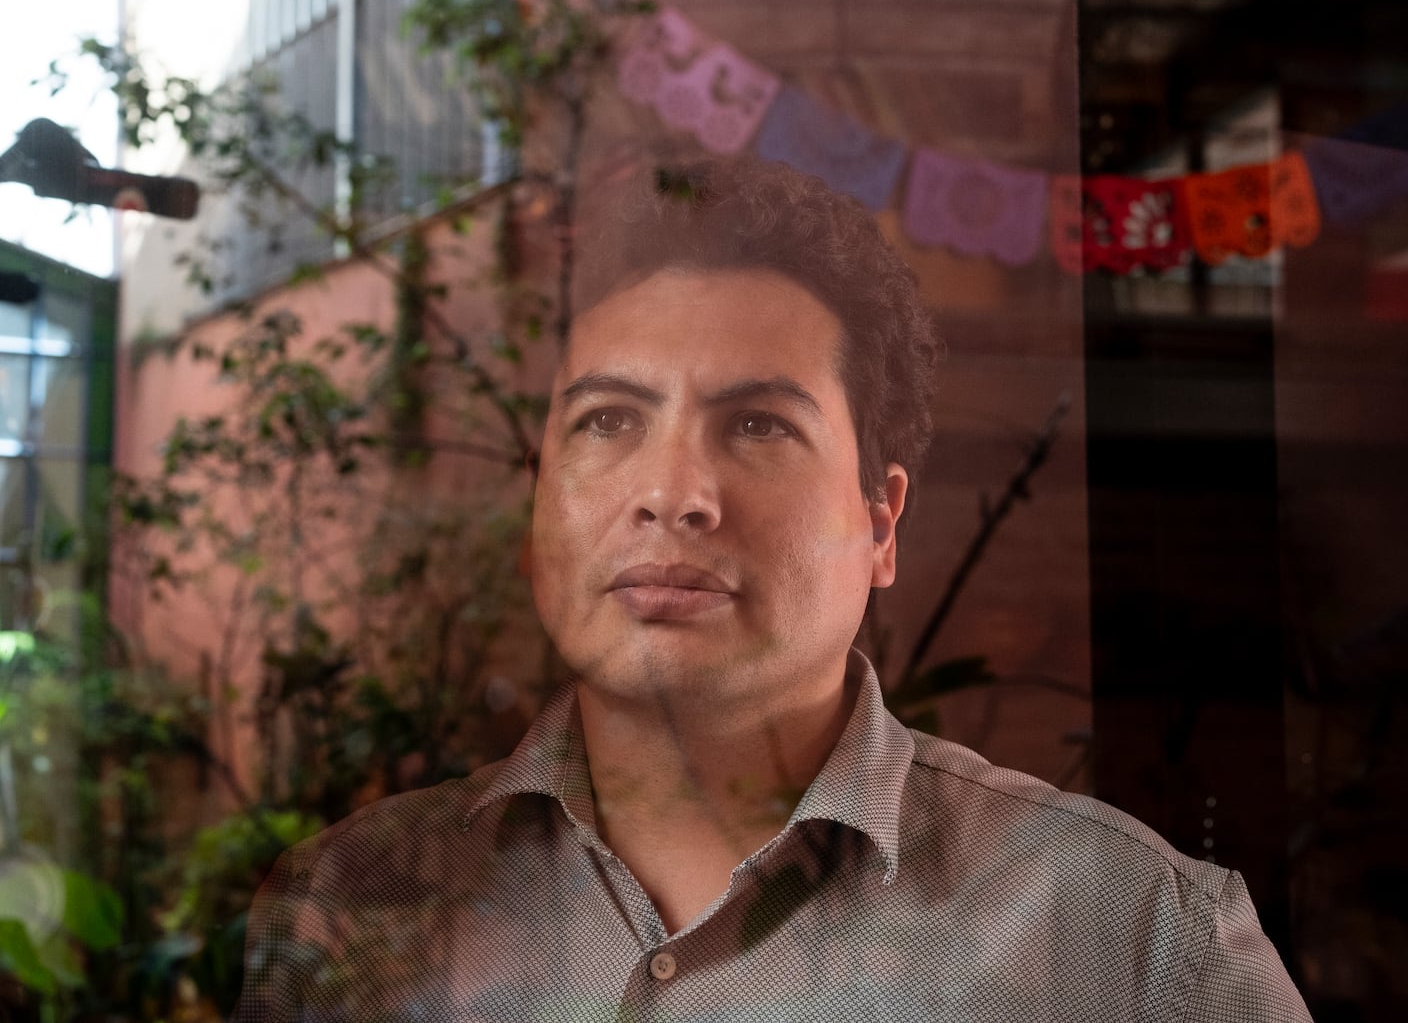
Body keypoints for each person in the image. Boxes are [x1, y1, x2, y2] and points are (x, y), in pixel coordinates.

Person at [232, 156, 1311, 1021]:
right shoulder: (350, 908)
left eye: (757, 424)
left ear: (881, 520)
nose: (671, 493)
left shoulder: (1135, 942)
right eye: (608, 420)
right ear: (537, 509)